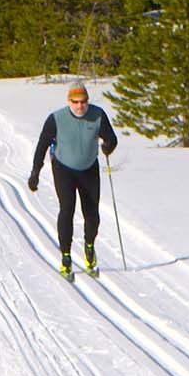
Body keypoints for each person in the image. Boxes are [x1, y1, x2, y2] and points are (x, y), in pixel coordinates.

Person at [28, 82, 117, 279]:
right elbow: (42, 146)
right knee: (67, 210)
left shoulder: (98, 115)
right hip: (63, 168)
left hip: (89, 169)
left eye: (83, 101)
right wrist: (35, 172)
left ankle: (89, 247)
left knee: (92, 214)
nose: (79, 106)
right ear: (69, 101)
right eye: (75, 102)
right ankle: (66, 257)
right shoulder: (56, 119)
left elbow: (111, 138)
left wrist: (108, 145)